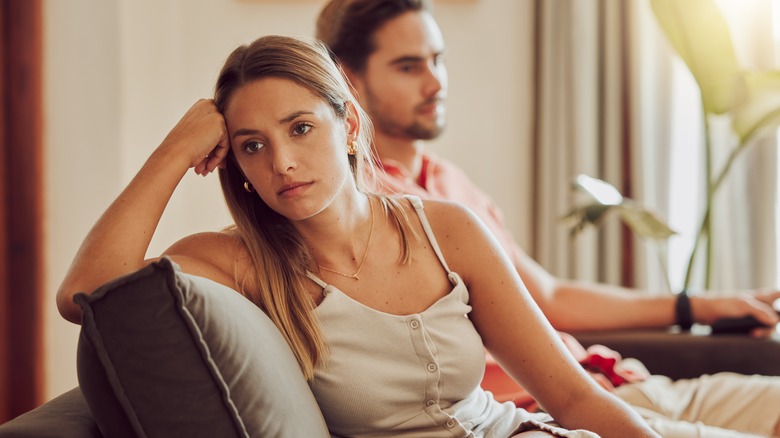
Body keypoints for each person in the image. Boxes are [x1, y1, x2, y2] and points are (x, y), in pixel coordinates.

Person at [56, 35, 659, 437]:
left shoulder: (445, 228)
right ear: (230, 161)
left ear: (347, 126)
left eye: (300, 128)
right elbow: (85, 293)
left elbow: (574, 399)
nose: (283, 163)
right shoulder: (236, 262)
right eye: (252, 146)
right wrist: (173, 150)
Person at [315, 1, 780, 437]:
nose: (436, 82)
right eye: (409, 67)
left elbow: (548, 295)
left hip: (615, 382)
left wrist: (696, 305)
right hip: (548, 408)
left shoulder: (449, 182)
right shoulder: (363, 212)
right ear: (346, 78)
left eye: (438, 60)